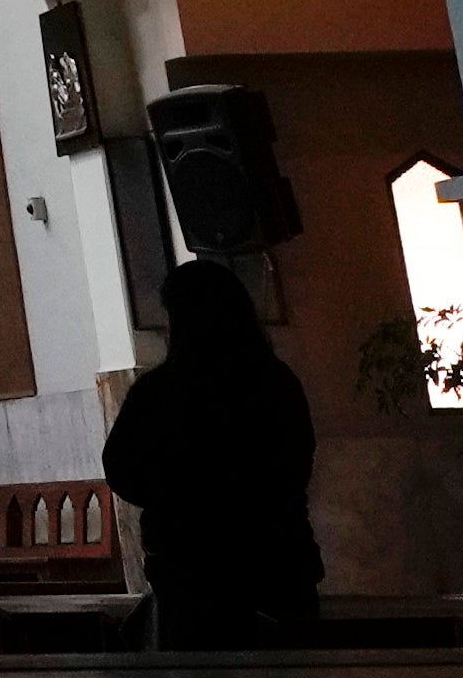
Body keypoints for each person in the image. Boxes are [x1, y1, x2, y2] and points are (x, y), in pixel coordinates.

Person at [99, 254, 322, 641]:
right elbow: (298, 463)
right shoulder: (275, 381)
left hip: (188, 569)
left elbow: (121, 468)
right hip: (277, 561)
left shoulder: (159, 391)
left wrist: (176, 493)